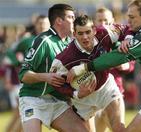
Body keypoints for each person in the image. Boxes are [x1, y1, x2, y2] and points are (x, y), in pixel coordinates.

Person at [67, 0, 141, 132]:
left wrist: (84, 67)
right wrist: (128, 36)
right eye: (128, 17)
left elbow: (119, 56)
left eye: (132, 17)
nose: (128, 21)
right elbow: (127, 30)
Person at [50, 14, 134, 132]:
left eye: (88, 32)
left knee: (119, 128)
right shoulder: (64, 58)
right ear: (74, 34)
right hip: (82, 100)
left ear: (94, 30)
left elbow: (126, 28)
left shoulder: (105, 33)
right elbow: (55, 82)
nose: (85, 37)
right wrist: (76, 94)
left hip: (106, 88)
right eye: (80, 33)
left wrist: (127, 39)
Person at [18, 4, 89, 132]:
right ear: (59, 21)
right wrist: (46, 77)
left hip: (56, 101)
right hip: (32, 99)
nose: (75, 20)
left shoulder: (70, 43)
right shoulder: (44, 41)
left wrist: (77, 93)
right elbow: (23, 75)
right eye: (71, 17)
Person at [94, 7, 136, 132]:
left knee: (118, 129)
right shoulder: (89, 41)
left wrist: (123, 65)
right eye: (100, 21)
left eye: (106, 21)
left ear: (112, 21)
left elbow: (131, 64)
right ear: (94, 22)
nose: (103, 24)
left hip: (114, 93)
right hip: (93, 97)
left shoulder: (120, 40)